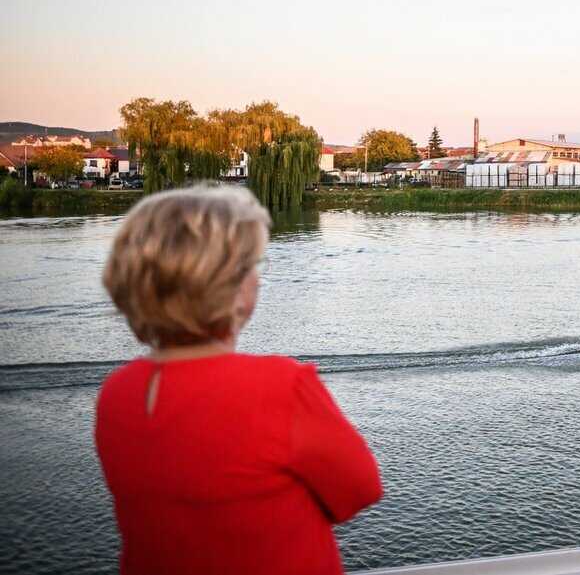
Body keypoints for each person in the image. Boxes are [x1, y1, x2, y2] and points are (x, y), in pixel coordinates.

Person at [95, 185, 382, 575]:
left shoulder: (116, 393)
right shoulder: (281, 386)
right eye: (252, 266)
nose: (259, 280)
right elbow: (359, 490)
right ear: (228, 288)